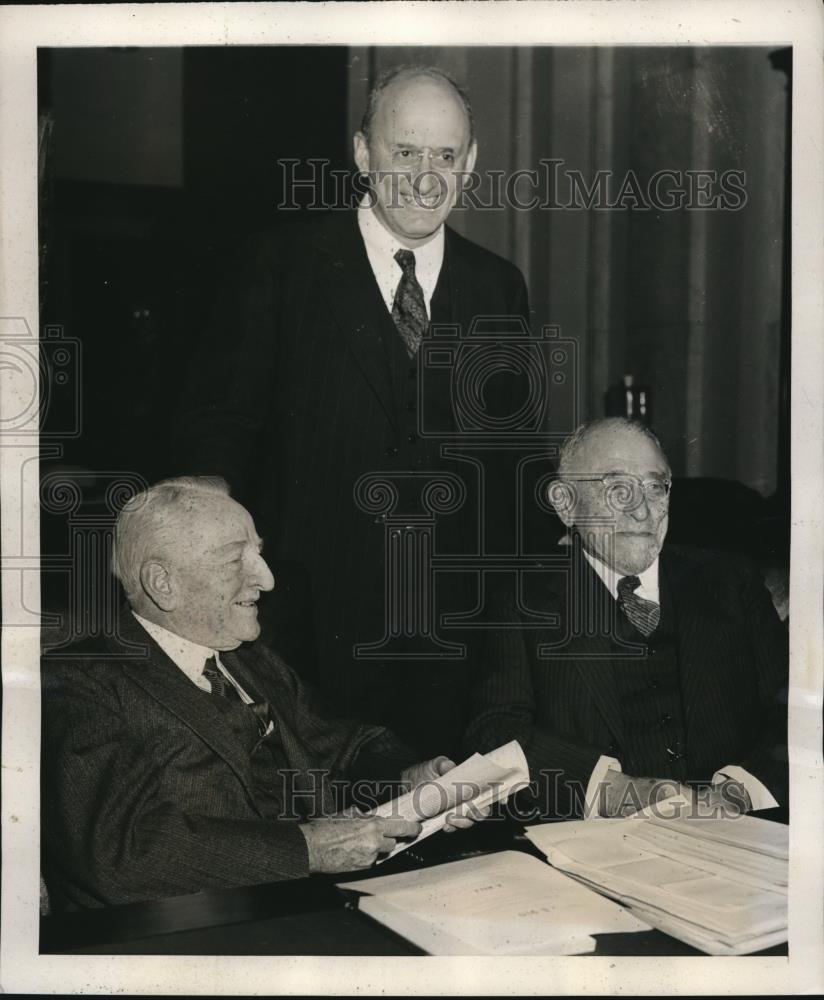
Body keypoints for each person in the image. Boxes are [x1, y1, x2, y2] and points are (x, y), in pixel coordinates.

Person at [172, 65, 530, 758]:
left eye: (446, 156)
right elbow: (218, 431)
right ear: (364, 154)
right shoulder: (281, 265)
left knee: (437, 829)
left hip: (450, 633)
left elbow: (510, 462)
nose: (427, 178)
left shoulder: (497, 287)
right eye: (406, 151)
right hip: (306, 630)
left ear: (472, 163)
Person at [41, 477, 487, 910]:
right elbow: (119, 853)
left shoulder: (249, 659)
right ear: (163, 582)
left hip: (313, 905)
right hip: (180, 931)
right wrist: (307, 848)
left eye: (259, 553)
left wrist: (408, 777)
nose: (268, 579)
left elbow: (345, 746)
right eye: (236, 559)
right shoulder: (81, 681)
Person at [463, 417, 788, 819]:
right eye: (617, 489)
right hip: (598, 841)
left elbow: (796, 713)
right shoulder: (524, 602)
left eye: (655, 487)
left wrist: (736, 794)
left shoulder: (730, 581)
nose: (641, 511)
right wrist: (611, 790)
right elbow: (495, 730)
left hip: (737, 829)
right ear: (565, 503)